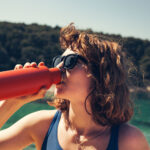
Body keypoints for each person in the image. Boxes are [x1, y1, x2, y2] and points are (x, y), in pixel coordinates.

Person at [0, 24, 149, 150]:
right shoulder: (41, 124)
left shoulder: (129, 140)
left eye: (70, 61)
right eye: (59, 60)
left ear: (101, 73)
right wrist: (12, 102)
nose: (59, 67)